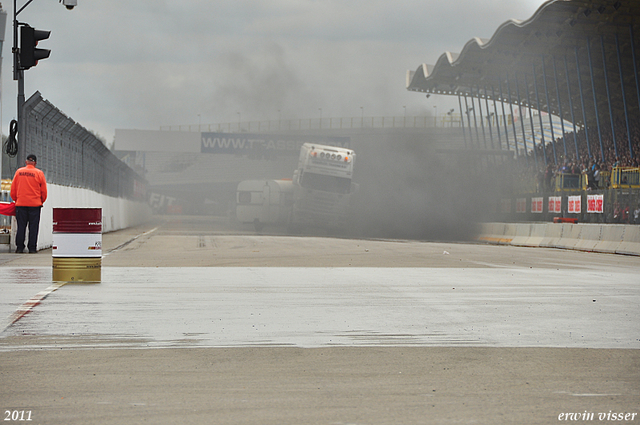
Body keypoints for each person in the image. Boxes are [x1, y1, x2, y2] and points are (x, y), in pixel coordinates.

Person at [10, 154, 47, 253]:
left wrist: (17, 200)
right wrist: (40, 201)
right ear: (35, 163)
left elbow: (13, 190)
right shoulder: (39, 173)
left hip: (21, 204)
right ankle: (32, 248)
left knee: (21, 227)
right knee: (33, 227)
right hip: (35, 205)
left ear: (26, 162)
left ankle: (20, 248)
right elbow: (44, 191)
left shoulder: (19, 172)